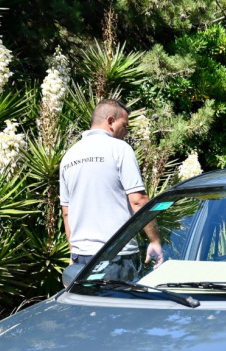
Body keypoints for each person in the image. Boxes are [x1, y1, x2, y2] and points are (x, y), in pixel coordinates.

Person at [60, 99, 163, 277]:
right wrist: (154, 240)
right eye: (125, 125)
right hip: (117, 257)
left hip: (80, 259)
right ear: (110, 121)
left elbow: (66, 212)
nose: (126, 132)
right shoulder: (120, 149)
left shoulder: (69, 156)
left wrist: (72, 252)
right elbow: (138, 200)